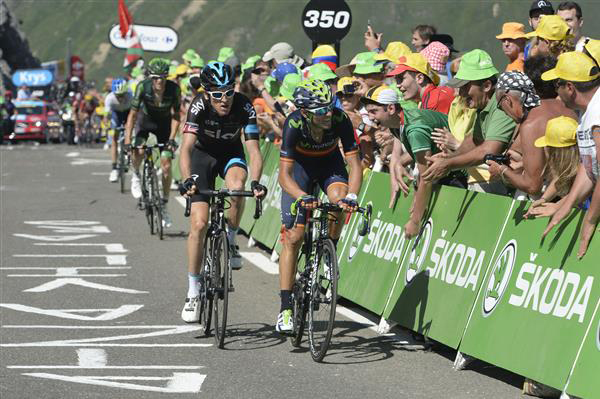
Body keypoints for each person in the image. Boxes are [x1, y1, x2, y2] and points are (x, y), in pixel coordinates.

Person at [179, 62, 266, 322]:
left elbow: (253, 150)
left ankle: (230, 238)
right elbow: (185, 149)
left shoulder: (244, 105)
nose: (224, 99)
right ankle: (193, 290)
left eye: (228, 91)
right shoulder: (198, 106)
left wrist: (257, 181)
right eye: (217, 94)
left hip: (231, 153)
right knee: (199, 224)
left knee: (237, 188)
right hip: (202, 156)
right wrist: (186, 181)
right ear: (207, 94)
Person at [276, 78, 362, 333]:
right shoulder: (293, 124)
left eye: (330, 106)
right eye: (321, 110)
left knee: (339, 198)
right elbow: (284, 176)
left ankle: (329, 250)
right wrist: (302, 196)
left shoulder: (339, 118)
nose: (328, 114)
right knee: (294, 237)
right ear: (305, 112)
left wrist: (353, 196)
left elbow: (355, 164)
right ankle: (285, 308)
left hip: (329, 165)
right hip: (299, 170)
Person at [363, 85, 467, 238]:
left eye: (374, 112)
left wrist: (415, 221)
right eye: (368, 112)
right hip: (447, 168)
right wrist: (398, 163)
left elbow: (427, 177)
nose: (370, 117)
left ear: (391, 108)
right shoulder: (397, 121)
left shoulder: (414, 130)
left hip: (461, 172)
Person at [422, 49, 517, 195]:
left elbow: (488, 150)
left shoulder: (502, 105)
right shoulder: (484, 104)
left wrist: (448, 164)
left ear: (486, 86)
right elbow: (474, 140)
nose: (461, 93)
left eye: (465, 86)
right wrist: (448, 157)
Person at [535, 51, 600, 258]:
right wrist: (565, 204)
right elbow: (590, 167)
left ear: (570, 88)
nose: (556, 91)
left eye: (557, 85)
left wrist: (589, 221)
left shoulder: (597, 115)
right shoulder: (587, 113)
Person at [488, 58, 576, 197]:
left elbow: (533, 186)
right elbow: (560, 161)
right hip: (578, 193)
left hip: (555, 197)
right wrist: (523, 163)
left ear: (507, 100)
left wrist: (502, 170)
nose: (503, 112)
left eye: (500, 107)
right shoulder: (568, 107)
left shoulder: (530, 124)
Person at [124, 57, 181, 228]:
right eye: (155, 77)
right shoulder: (143, 86)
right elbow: (132, 116)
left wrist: (172, 139)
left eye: (163, 77)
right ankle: (135, 174)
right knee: (139, 150)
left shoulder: (174, 89)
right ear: (150, 77)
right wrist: (128, 140)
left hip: (164, 125)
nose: (159, 81)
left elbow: (177, 115)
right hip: (145, 121)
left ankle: (163, 204)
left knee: (166, 165)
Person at [524, 116, 580, 216]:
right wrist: (543, 199)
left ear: (559, 152)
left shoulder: (588, 166)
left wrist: (557, 206)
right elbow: (561, 177)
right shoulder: (571, 164)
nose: (546, 149)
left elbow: (582, 191)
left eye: (549, 147)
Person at [386, 52, 454, 114]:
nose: (397, 85)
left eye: (401, 79)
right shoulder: (428, 98)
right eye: (396, 80)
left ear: (420, 78)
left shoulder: (434, 101)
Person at [104, 78, 132, 182]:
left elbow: (136, 113)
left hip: (128, 113)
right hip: (116, 114)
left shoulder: (130, 96)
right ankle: (114, 168)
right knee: (114, 137)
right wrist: (107, 126)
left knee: (130, 133)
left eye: (122, 95)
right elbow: (107, 115)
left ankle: (128, 155)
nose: (120, 98)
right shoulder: (109, 98)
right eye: (118, 95)